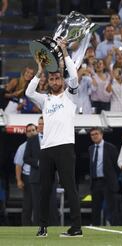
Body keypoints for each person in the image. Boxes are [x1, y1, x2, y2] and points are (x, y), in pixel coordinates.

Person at [25, 38, 82, 237]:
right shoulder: (45, 100)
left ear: (62, 81)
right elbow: (28, 91)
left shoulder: (70, 96)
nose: (55, 81)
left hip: (65, 146)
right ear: (48, 82)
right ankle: (42, 227)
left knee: (70, 187)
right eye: (52, 79)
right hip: (47, 149)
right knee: (44, 190)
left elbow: (74, 75)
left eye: (58, 79)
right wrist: (39, 71)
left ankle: (76, 228)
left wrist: (65, 53)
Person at [24, 116, 58, 226]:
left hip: (50, 177)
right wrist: (38, 163)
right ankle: (38, 229)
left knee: (52, 205)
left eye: (43, 124)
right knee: (37, 206)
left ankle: (54, 228)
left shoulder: (54, 139)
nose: (41, 126)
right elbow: (26, 158)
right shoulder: (31, 139)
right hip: (36, 178)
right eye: (40, 123)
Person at [88, 127, 120, 226]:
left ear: (102, 135)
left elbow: (117, 166)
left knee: (111, 207)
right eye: (92, 135)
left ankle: (115, 228)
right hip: (96, 182)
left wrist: (113, 179)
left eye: (96, 134)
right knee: (95, 208)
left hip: (108, 182)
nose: (94, 136)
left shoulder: (111, 147)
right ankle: (96, 228)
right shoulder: (91, 148)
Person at [14, 123, 37, 225]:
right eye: (29, 131)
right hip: (28, 176)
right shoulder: (23, 147)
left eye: (33, 130)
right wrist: (19, 180)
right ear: (26, 134)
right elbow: (18, 165)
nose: (31, 132)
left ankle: (41, 225)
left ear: (36, 131)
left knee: (40, 203)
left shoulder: (43, 144)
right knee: (28, 204)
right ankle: (26, 227)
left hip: (40, 176)